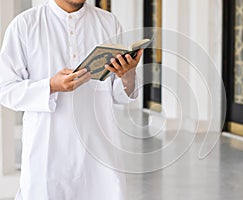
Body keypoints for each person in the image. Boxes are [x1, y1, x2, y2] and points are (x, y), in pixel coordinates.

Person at [0, 0, 143, 199]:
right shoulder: (25, 25)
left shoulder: (108, 23)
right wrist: (51, 86)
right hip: (47, 157)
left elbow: (120, 94)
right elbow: (6, 89)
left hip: (100, 159)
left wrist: (128, 75)